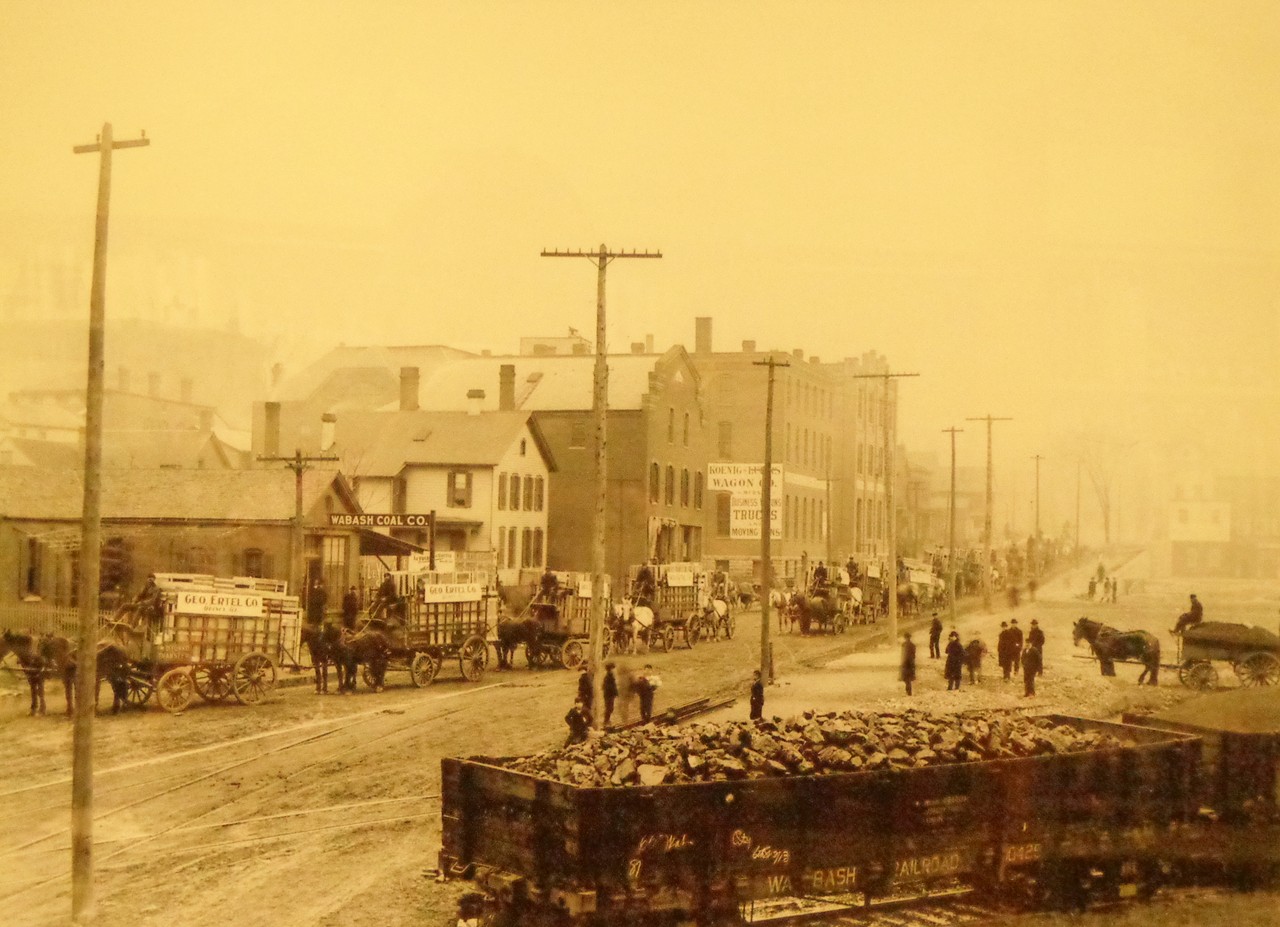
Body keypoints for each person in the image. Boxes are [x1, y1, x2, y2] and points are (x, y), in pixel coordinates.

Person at [899, 631, 917, 696]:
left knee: (906, 678)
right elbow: (914, 655)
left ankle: (908, 691)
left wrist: (902, 662)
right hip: (911, 663)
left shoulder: (904, 645)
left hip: (906, 663)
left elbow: (903, 654)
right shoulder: (913, 645)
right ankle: (908, 691)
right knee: (908, 678)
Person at [602, 663, 619, 727]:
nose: (614, 670)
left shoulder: (610, 676)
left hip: (609, 695)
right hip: (609, 695)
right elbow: (611, 687)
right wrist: (615, 693)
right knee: (609, 708)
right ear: (611, 669)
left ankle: (607, 720)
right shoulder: (609, 676)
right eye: (613, 669)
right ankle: (606, 721)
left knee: (610, 708)